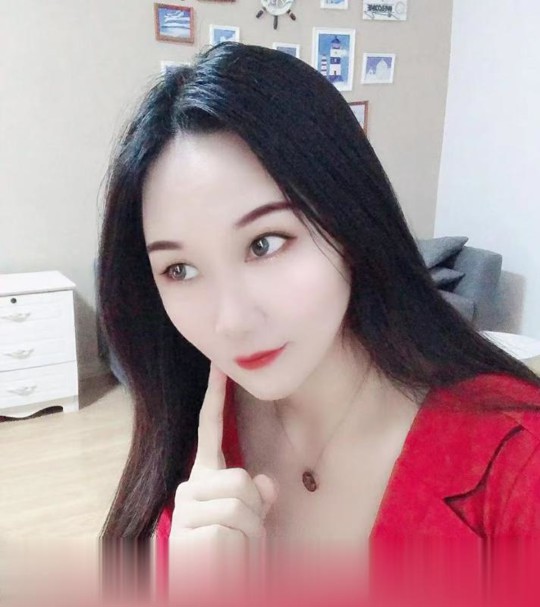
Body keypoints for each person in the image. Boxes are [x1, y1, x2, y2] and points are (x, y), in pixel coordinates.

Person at [96, 41, 540, 605]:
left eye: (265, 243)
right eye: (179, 269)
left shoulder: (517, 461)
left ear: (349, 220)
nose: (231, 321)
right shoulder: (192, 433)